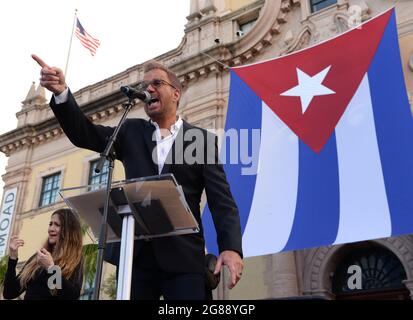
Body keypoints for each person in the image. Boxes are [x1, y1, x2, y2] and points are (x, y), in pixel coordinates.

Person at [32, 54, 243, 300]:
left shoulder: (200, 140)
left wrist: (231, 248)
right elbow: (85, 134)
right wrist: (61, 94)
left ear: (176, 93)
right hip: (136, 258)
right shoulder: (130, 131)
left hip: (184, 259)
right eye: (144, 87)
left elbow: (222, 201)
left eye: (156, 84)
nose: (148, 89)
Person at [2, 208, 84, 300]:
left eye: (57, 225)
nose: (51, 229)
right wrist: (13, 257)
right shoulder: (38, 257)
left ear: (69, 231)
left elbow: (72, 296)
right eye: (50, 224)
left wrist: (51, 269)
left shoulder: (75, 258)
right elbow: (9, 293)